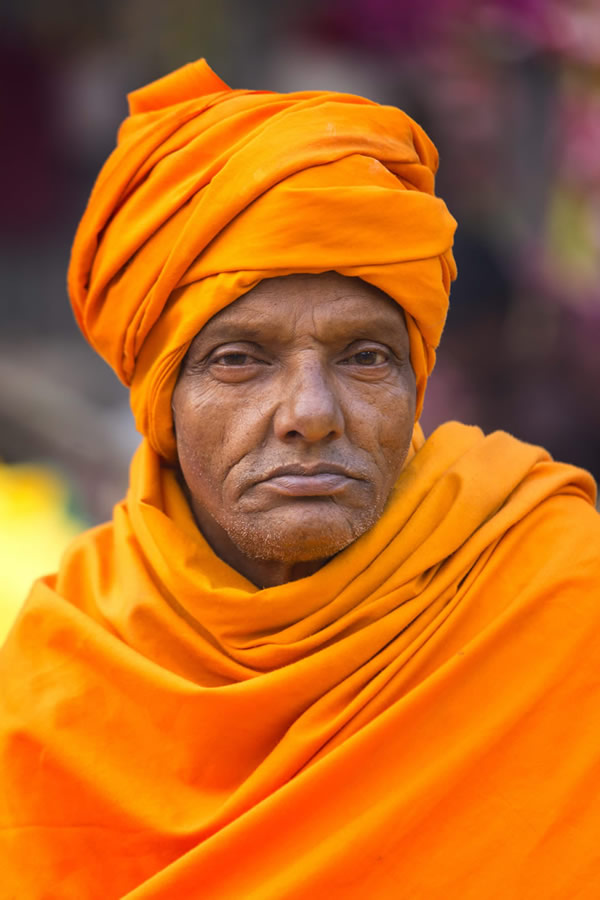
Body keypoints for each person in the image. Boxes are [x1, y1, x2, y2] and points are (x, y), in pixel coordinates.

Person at [1, 60, 599, 900]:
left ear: (416, 381)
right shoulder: (65, 673)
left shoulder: (556, 595)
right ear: (159, 401)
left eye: (365, 357)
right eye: (240, 359)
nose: (311, 413)